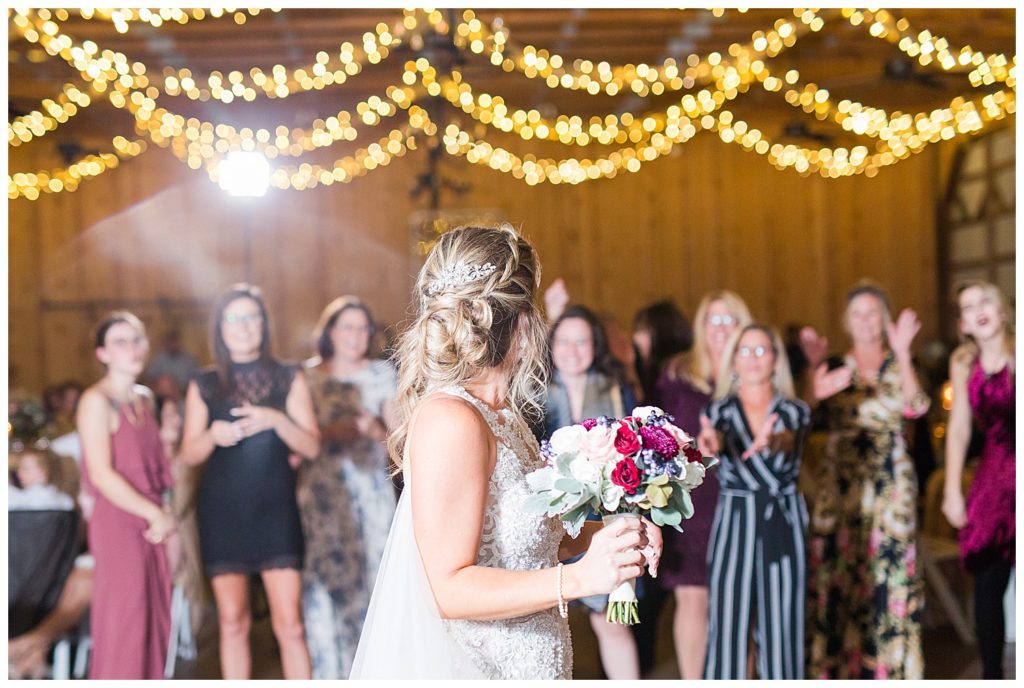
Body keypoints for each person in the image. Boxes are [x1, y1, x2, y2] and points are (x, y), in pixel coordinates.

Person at [350, 224, 662, 679]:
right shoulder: (452, 420)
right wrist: (579, 579)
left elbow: (528, 543)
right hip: (482, 667)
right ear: (521, 319)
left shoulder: (503, 415)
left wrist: (611, 536)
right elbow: (449, 588)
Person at [180, 284, 320, 680]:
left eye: (251, 317)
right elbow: (188, 453)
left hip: (276, 512)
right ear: (220, 328)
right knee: (232, 622)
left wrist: (276, 420)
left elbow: (311, 446)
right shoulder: (203, 383)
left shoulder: (288, 376)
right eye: (234, 319)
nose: (243, 327)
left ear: (264, 325)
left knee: (290, 624)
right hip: (222, 514)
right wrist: (212, 436)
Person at [801, 282, 929, 680]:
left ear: (885, 319)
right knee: (838, 575)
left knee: (889, 574)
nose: (865, 321)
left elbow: (916, 406)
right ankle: (836, 670)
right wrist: (812, 373)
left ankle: (889, 670)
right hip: (840, 485)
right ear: (846, 321)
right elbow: (801, 413)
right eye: (857, 313)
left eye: (873, 313)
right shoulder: (835, 365)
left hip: (889, 485)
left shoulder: (898, 362)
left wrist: (904, 353)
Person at [698, 323, 811, 679]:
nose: (753, 359)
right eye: (745, 351)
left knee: (783, 625)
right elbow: (711, 440)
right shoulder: (718, 412)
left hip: (783, 518)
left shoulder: (794, 410)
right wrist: (710, 444)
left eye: (762, 350)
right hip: (735, 519)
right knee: (727, 621)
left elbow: (787, 439)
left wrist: (771, 441)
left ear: (776, 360)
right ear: (733, 360)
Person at [298, 296, 398, 678]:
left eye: (362, 328)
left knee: (374, 581)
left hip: (371, 493)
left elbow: (398, 441)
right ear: (330, 332)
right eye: (347, 327)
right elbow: (296, 440)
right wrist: (328, 433)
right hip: (323, 494)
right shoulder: (307, 377)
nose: (355, 335)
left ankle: (376, 674)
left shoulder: (381, 375)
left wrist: (375, 431)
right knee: (327, 586)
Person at [655, 290, 752, 678]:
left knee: (737, 603)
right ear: (701, 326)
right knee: (693, 599)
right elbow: (659, 430)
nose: (721, 328)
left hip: (738, 499)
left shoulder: (753, 371)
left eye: (730, 319)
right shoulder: (678, 372)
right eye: (714, 320)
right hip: (692, 500)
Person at [541, 304, 640, 680]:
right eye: (564, 341)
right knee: (549, 619)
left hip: (606, 516)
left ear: (595, 345)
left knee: (611, 623)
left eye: (582, 341)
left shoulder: (616, 388)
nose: (573, 350)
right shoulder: (534, 391)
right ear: (551, 344)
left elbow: (637, 451)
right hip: (551, 518)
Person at [76, 311, 176, 679]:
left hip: (154, 522)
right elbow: (101, 474)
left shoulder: (145, 399)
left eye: (137, 340)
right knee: (125, 625)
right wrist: (154, 514)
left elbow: (158, 469)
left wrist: (165, 515)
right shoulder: (95, 401)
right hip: (119, 523)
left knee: (155, 620)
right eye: (121, 341)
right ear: (102, 353)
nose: (132, 348)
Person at [941, 280, 1015, 680]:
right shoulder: (962, 362)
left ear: (1003, 311)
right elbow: (959, 430)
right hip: (993, 476)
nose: (979, 309)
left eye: (986, 300)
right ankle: (992, 676)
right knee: (988, 583)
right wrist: (952, 489)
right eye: (968, 306)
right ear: (964, 323)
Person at [146, 328, 200, 393]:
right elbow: (149, 379)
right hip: (161, 396)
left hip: (183, 395)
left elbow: (196, 382)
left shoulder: (189, 360)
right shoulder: (159, 358)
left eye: (175, 342)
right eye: (170, 342)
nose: (173, 345)